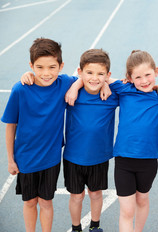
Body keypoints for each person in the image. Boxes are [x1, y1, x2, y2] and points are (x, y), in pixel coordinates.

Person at [1, 38, 78, 232]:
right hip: (26, 158)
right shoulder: (20, 89)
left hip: (51, 159)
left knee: (46, 202)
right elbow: (10, 126)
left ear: (61, 66)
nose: (46, 73)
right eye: (39, 67)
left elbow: (88, 77)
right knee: (29, 202)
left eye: (52, 67)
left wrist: (79, 86)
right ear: (31, 66)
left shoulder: (64, 83)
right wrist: (10, 159)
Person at [109, 50, 158, 232]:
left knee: (142, 199)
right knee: (127, 210)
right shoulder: (124, 89)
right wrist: (75, 86)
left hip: (148, 162)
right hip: (124, 161)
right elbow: (100, 76)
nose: (144, 81)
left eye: (148, 75)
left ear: (156, 72)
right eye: (138, 77)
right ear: (129, 78)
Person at [63, 49, 119, 232]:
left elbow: (133, 83)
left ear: (108, 75)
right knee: (76, 196)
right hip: (73, 157)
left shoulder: (112, 94)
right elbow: (49, 78)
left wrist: (107, 83)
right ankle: (76, 227)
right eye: (89, 73)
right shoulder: (70, 90)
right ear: (79, 72)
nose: (94, 78)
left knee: (96, 194)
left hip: (99, 157)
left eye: (100, 74)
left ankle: (95, 226)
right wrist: (75, 85)